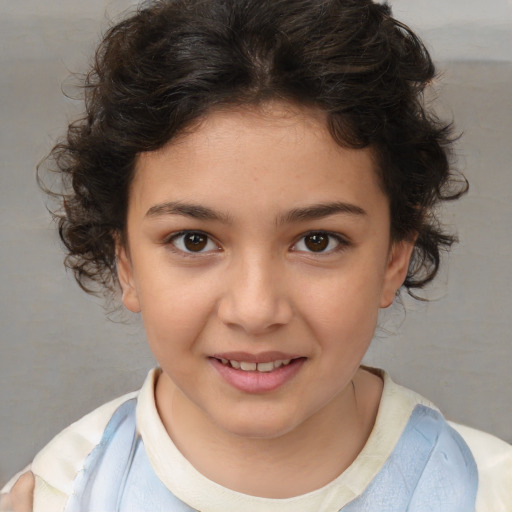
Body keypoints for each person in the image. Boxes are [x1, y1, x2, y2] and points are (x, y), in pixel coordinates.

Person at [1, 0, 511, 510]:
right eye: (194, 240)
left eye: (317, 240)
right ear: (126, 262)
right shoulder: (60, 491)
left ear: (394, 257)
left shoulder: (489, 490)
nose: (255, 310)